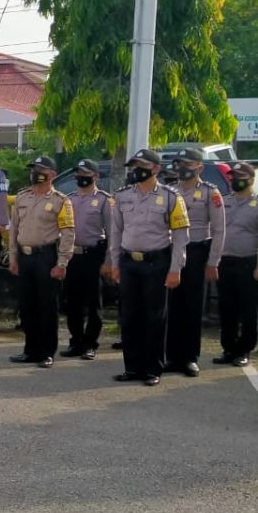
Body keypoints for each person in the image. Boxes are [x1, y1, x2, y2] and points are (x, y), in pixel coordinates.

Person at [109, 148, 191, 387]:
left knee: (155, 317)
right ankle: (132, 367)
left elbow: (180, 236)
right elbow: (116, 232)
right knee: (130, 316)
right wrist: (115, 263)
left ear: (155, 169)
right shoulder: (123, 196)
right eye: (134, 166)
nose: (136, 170)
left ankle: (153, 368)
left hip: (157, 263)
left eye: (141, 165)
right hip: (128, 263)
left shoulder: (171, 197)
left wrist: (176, 268)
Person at [8, 156, 75, 368]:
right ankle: (30, 350)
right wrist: (13, 257)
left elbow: (68, 233)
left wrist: (62, 262)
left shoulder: (61, 201)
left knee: (47, 306)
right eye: (33, 168)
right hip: (25, 257)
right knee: (27, 306)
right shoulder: (21, 197)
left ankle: (47, 352)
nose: (35, 172)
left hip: (46, 257)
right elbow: (14, 230)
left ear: (52, 174)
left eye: (40, 169)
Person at [165, 147, 226, 378]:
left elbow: (219, 230)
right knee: (172, 306)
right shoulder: (169, 191)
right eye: (180, 164)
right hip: (172, 253)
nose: (182, 169)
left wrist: (213, 261)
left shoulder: (211, 193)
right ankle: (171, 356)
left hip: (197, 252)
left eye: (187, 165)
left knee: (191, 306)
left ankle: (190, 358)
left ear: (199, 167)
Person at [62, 159, 113, 360]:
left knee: (94, 302)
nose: (81, 177)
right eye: (79, 173)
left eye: (85, 173)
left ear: (95, 176)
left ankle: (90, 343)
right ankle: (76, 341)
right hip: (73, 255)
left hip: (94, 255)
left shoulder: (104, 200)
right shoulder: (69, 199)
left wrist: (109, 260)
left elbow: (112, 233)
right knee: (72, 302)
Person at [216, 161, 258, 367]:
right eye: (233, 177)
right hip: (225, 262)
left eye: (240, 177)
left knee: (248, 310)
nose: (235, 181)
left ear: (250, 180)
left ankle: (245, 350)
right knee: (227, 309)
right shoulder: (224, 202)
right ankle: (228, 349)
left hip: (248, 264)